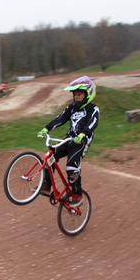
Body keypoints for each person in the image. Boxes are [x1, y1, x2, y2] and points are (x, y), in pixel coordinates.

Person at [37, 76, 100, 208]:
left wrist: (83, 133)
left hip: (81, 142)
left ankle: (77, 194)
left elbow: (93, 123)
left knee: (71, 166)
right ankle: (46, 186)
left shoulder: (93, 109)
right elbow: (60, 118)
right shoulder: (72, 108)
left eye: (79, 94)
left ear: (88, 94)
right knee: (49, 158)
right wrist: (46, 128)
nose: (76, 97)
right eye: (75, 94)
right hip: (69, 139)